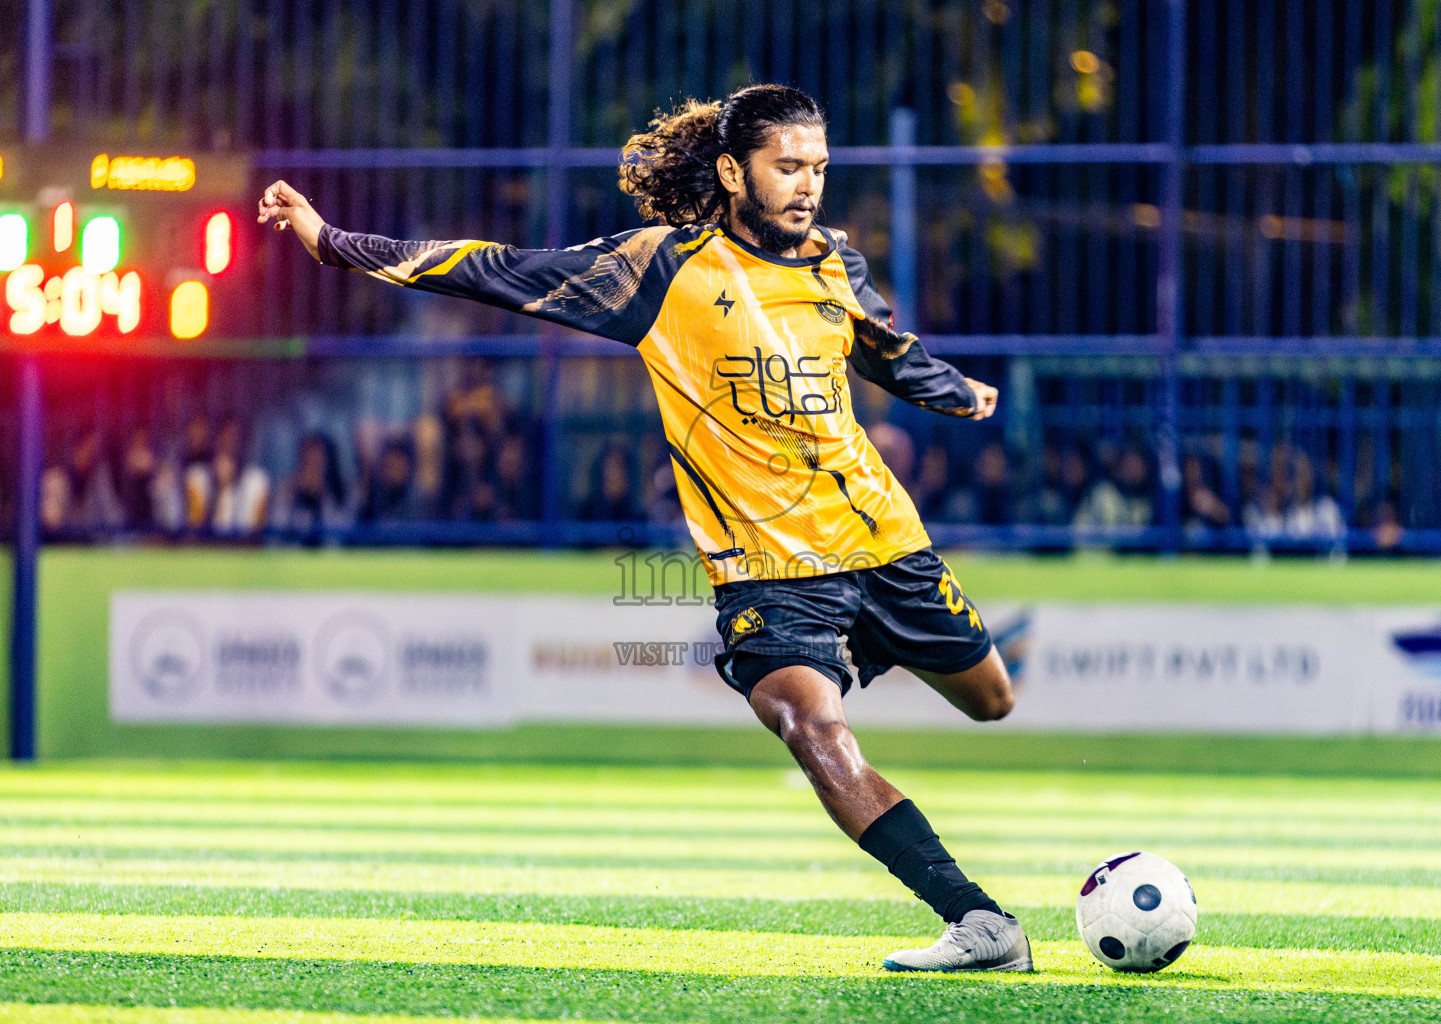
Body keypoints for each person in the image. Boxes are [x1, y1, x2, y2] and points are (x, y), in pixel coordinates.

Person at [258, 84, 1027, 973]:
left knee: (992, 702)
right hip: (769, 573)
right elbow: (497, 268)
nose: (808, 184)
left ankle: (883, 665)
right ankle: (979, 920)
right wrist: (331, 242)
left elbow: (881, 345)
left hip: (885, 539)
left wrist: (955, 392)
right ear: (735, 171)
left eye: (818, 167)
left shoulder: (834, 263)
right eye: (788, 166)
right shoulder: (660, 269)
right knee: (808, 726)